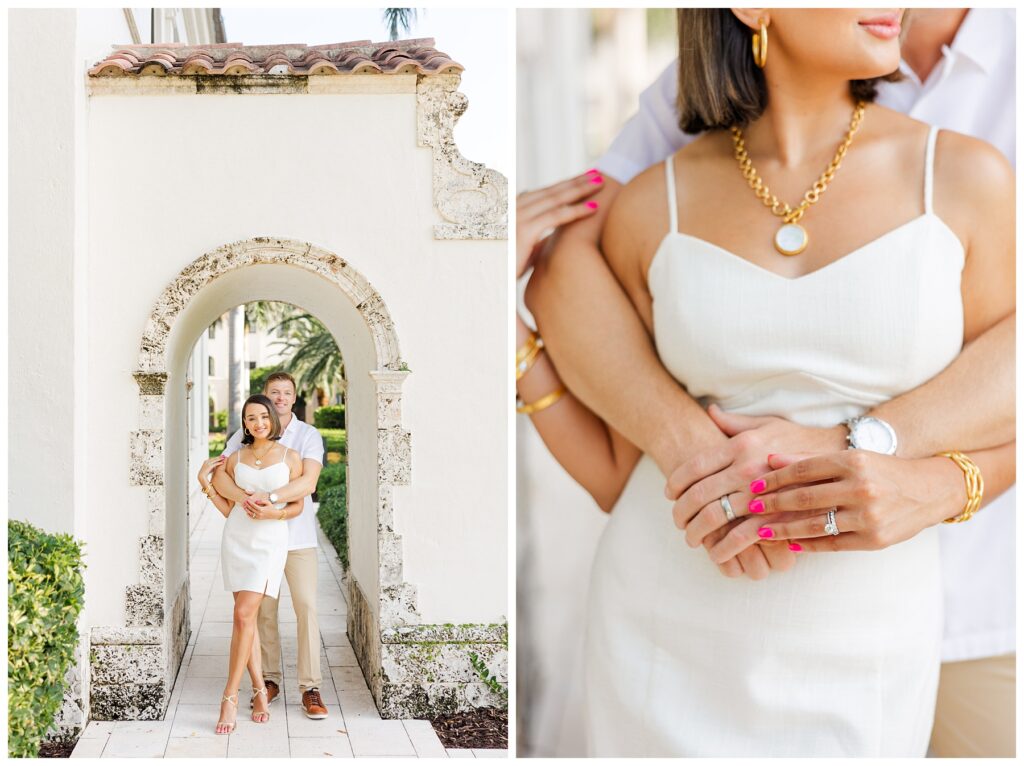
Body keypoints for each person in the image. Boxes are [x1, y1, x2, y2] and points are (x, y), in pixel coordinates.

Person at [519, 9, 1014, 756]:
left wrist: (876, 453)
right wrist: (511, 337)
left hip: (876, 629)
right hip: (660, 625)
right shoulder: (656, 196)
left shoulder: (967, 176)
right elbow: (622, 473)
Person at [213, 372, 327, 720]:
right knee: (261, 613)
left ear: (294, 399)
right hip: (253, 539)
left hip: (297, 537)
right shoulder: (245, 433)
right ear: (263, 399)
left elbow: (307, 482)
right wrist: (246, 500)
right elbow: (221, 472)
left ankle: (310, 686)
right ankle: (268, 681)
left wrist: (271, 499)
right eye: (273, 393)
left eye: (286, 393)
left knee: (305, 606)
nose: (279, 398)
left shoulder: (307, 436)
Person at [200, 395, 304, 734]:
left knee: (244, 616)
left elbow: (298, 506)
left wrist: (275, 510)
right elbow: (229, 508)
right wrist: (205, 483)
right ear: (244, 424)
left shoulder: (291, 457)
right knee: (247, 622)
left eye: (263, 416)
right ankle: (260, 690)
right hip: (237, 539)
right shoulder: (236, 458)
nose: (258, 423)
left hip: (269, 543)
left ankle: (229, 696)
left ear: (273, 419)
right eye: (250, 418)